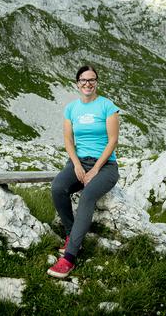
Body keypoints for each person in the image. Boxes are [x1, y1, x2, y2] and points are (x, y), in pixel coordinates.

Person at [47, 65, 120, 279]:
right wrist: (77, 165)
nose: (87, 83)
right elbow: (68, 140)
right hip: (79, 162)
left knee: (87, 196)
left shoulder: (108, 106)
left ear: (96, 82)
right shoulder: (71, 109)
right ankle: (72, 235)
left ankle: (69, 258)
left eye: (92, 80)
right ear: (77, 83)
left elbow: (113, 141)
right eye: (83, 80)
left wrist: (95, 170)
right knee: (58, 187)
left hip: (105, 166)